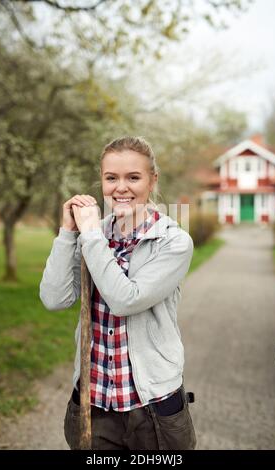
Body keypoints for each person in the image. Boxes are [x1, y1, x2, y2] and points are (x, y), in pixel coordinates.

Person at [39, 136, 196, 450]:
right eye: (111, 178)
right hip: (93, 404)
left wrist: (92, 236)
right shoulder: (91, 235)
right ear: (101, 180)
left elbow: (127, 299)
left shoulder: (172, 242)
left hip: (152, 408)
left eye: (133, 177)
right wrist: (69, 231)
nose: (120, 187)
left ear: (152, 181)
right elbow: (54, 299)